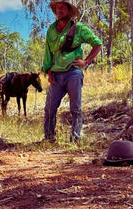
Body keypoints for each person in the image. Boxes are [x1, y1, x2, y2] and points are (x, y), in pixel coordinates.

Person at [42, 1, 102, 142]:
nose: (59, 10)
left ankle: (75, 139)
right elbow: (48, 53)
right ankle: (49, 138)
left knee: (75, 108)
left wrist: (86, 61)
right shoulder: (51, 30)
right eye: (57, 8)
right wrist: (49, 72)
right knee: (49, 108)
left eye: (63, 7)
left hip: (73, 72)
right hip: (56, 74)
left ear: (69, 11)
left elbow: (97, 43)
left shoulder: (78, 28)